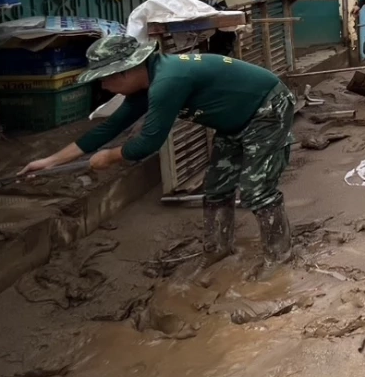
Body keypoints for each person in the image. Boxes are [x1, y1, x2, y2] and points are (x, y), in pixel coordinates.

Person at [18, 35, 296, 265]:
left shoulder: (166, 81)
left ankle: (278, 257)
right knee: (217, 186)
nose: (103, 86)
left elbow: (147, 143)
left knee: (257, 189)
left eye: (105, 78)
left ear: (126, 70)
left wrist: (110, 156)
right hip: (234, 119)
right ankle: (217, 250)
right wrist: (51, 161)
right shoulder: (148, 79)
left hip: (267, 109)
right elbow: (109, 128)